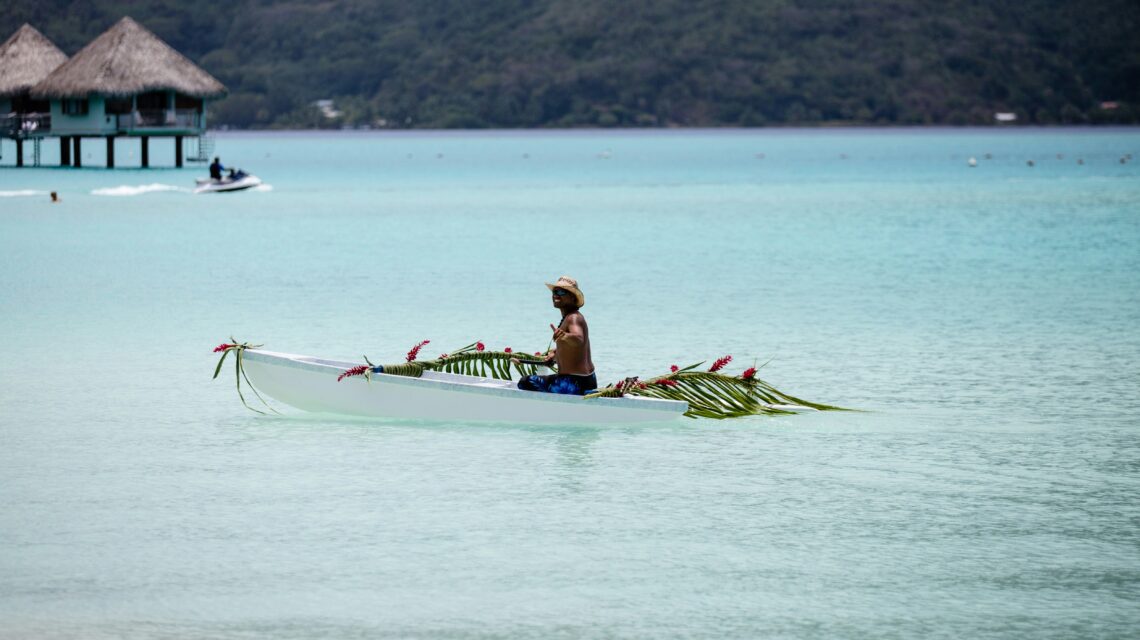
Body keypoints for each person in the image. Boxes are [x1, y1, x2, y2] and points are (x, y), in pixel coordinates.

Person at [517, 276, 597, 395]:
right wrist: (555, 354)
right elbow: (575, 348)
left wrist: (564, 335)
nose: (555, 295)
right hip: (587, 380)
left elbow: (579, 339)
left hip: (572, 383)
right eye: (554, 291)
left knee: (524, 382)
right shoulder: (571, 317)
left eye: (561, 292)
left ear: (572, 297)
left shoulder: (573, 318)